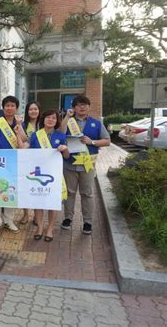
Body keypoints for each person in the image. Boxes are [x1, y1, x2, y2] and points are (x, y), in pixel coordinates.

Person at [60, 95, 111, 235]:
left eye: (84, 104)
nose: (82, 107)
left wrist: (92, 142)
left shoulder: (96, 123)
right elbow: (60, 133)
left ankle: (87, 222)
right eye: (78, 105)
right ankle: (68, 218)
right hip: (69, 164)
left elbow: (107, 141)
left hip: (88, 165)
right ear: (74, 107)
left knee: (87, 194)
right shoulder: (68, 121)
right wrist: (66, 116)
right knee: (69, 193)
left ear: (89, 107)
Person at [21, 109, 69, 241]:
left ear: (56, 121)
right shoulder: (36, 135)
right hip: (39, 174)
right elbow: (30, 154)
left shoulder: (61, 136)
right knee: (39, 201)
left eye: (54, 118)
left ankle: (50, 229)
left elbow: (67, 156)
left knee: (52, 202)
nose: (51, 120)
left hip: (54, 174)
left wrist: (65, 149)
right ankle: (40, 227)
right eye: (48, 117)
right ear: (43, 120)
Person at [0, 95, 26, 236]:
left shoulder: (19, 122)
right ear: (3, 108)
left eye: (12, 106)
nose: (10, 108)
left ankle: (9, 220)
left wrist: (20, 126)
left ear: (16, 108)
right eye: (7, 106)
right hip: (0, 162)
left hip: (15, 163)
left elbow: (24, 141)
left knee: (11, 191)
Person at [20, 101, 42, 225]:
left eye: (35, 109)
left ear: (39, 111)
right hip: (26, 160)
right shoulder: (23, 125)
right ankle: (25, 214)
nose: (33, 111)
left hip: (41, 161)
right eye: (30, 109)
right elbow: (23, 140)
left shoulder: (44, 124)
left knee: (37, 187)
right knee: (25, 187)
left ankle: (36, 215)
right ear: (27, 112)